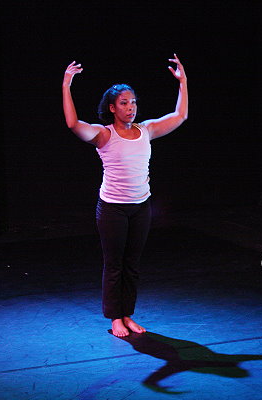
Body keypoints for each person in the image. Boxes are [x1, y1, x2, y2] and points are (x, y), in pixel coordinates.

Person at [62, 54, 188, 337]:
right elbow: (73, 124)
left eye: (133, 102)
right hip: (113, 209)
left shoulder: (146, 130)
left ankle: (127, 314)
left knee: (132, 265)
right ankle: (115, 318)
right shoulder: (103, 135)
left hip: (141, 207)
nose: (131, 108)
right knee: (114, 264)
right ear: (112, 108)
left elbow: (180, 116)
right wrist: (66, 85)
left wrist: (183, 82)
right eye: (124, 103)